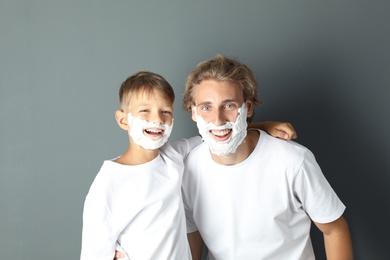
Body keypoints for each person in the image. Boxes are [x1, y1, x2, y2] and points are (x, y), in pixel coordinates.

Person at [81, 71, 297, 260]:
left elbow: (218, 133)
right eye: (145, 111)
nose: (156, 119)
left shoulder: (174, 157)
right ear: (123, 120)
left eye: (165, 111)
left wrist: (264, 126)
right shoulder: (108, 185)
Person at [181, 55, 353, 260]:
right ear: (193, 111)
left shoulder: (292, 161)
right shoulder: (186, 169)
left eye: (229, 105)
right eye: (206, 107)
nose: (217, 119)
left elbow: (334, 229)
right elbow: (193, 237)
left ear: (248, 108)